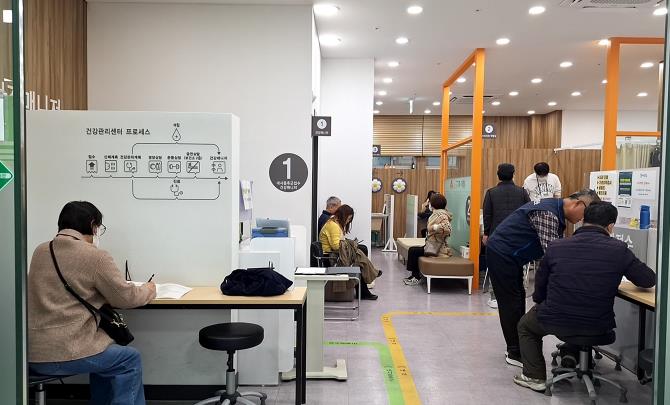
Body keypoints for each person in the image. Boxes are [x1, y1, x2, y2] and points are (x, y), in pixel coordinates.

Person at [514, 202, 656, 392]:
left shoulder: (556, 246)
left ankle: (534, 377)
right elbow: (648, 279)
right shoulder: (619, 249)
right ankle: (572, 354)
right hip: (598, 325)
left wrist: (543, 305)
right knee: (581, 317)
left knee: (526, 326)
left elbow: (540, 288)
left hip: (556, 320)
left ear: (582, 221)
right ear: (610, 226)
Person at [28, 201, 156, 405]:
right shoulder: (95, 256)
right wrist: (149, 290)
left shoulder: (41, 251)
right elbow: (126, 298)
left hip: (32, 353)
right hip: (65, 353)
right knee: (129, 359)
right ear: (92, 225)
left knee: (104, 348)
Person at [485, 189, 600, 368]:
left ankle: (519, 348)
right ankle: (514, 351)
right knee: (511, 303)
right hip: (502, 254)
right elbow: (552, 255)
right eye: (585, 214)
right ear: (578, 203)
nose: (582, 220)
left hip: (511, 255)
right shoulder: (548, 214)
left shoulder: (553, 209)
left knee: (517, 299)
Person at [483, 164, 530, 308]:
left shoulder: (491, 193)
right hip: (518, 236)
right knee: (518, 266)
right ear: (513, 175)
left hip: (496, 236)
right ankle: (518, 295)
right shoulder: (522, 192)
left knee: (495, 266)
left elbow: (487, 215)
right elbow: (528, 213)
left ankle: (494, 297)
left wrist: (486, 233)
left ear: (498, 175)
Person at [320, 204, 380, 300]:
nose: (348, 221)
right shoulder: (333, 226)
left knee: (360, 254)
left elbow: (339, 244)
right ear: (343, 216)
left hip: (335, 255)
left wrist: (348, 245)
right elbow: (336, 246)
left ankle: (365, 288)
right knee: (359, 257)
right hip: (331, 257)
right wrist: (349, 245)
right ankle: (370, 278)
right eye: (348, 219)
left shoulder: (334, 223)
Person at [404, 193, 452, 286]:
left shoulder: (441, 215)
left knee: (413, 251)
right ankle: (414, 276)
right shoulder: (438, 213)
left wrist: (434, 227)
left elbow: (448, 228)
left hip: (437, 248)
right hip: (433, 245)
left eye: (430, 202)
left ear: (433, 204)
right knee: (414, 250)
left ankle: (416, 277)